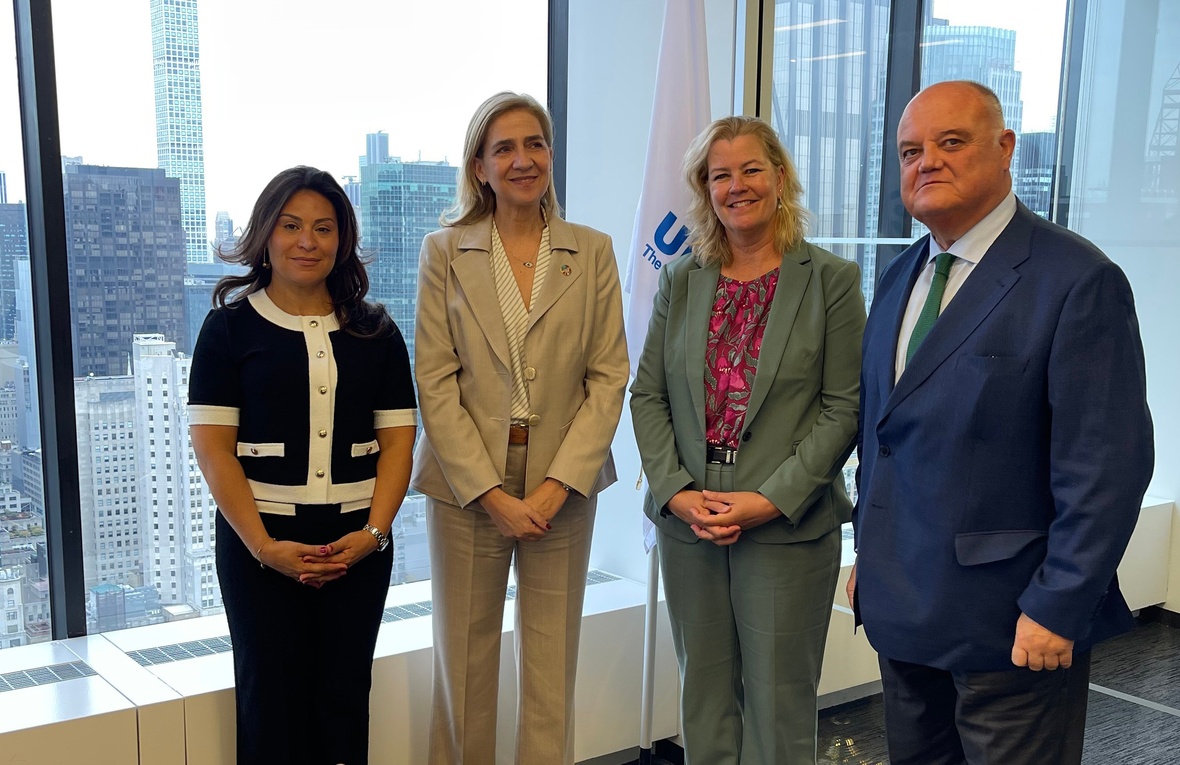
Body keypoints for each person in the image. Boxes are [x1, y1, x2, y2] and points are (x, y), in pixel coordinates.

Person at [848, 80, 1154, 765]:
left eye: (950, 142)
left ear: (1005, 147)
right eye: (909, 150)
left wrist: (1059, 604)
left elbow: (1107, 466)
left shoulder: (1076, 279)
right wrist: (873, 553)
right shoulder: (900, 276)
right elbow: (884, 432)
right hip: (905, 611)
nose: (926, 161)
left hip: (1014, 623)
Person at [630, 115, 865, 765]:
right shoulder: (682, 279)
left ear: (781, 176)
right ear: (704, 189)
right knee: (704, 696)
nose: (737, 186)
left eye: (751, 169)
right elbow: (647, 394)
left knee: (778, 700)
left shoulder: (831, 281)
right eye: (719, 175)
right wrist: (676, 493)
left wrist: (769, 499)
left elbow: (844, 408)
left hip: (786, 523)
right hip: (691, 521)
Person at [411, 91, 628, 765]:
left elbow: (608, 375)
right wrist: (490, 492)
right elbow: (435, 381)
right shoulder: (444, 251)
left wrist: (559, 484)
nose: (522, 159)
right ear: (479, 165)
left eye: (535, 143)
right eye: (503, 147)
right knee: (464, 671)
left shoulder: (591, 251)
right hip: (466, 486)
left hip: (563, 485)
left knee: (550, 669)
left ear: (550, 155)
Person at [189, 166, 417, 765]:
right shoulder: (228, 328)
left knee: (344, 701)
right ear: (266, 233)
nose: (307, 241)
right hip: (258, 544)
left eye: (323, 227)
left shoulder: (377, 330)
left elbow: (398, 444)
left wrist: (372, 536)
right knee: (270, 706)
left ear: (342, 239)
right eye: (291, 226)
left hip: (358, 546)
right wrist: (265, 548)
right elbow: (214, 448)